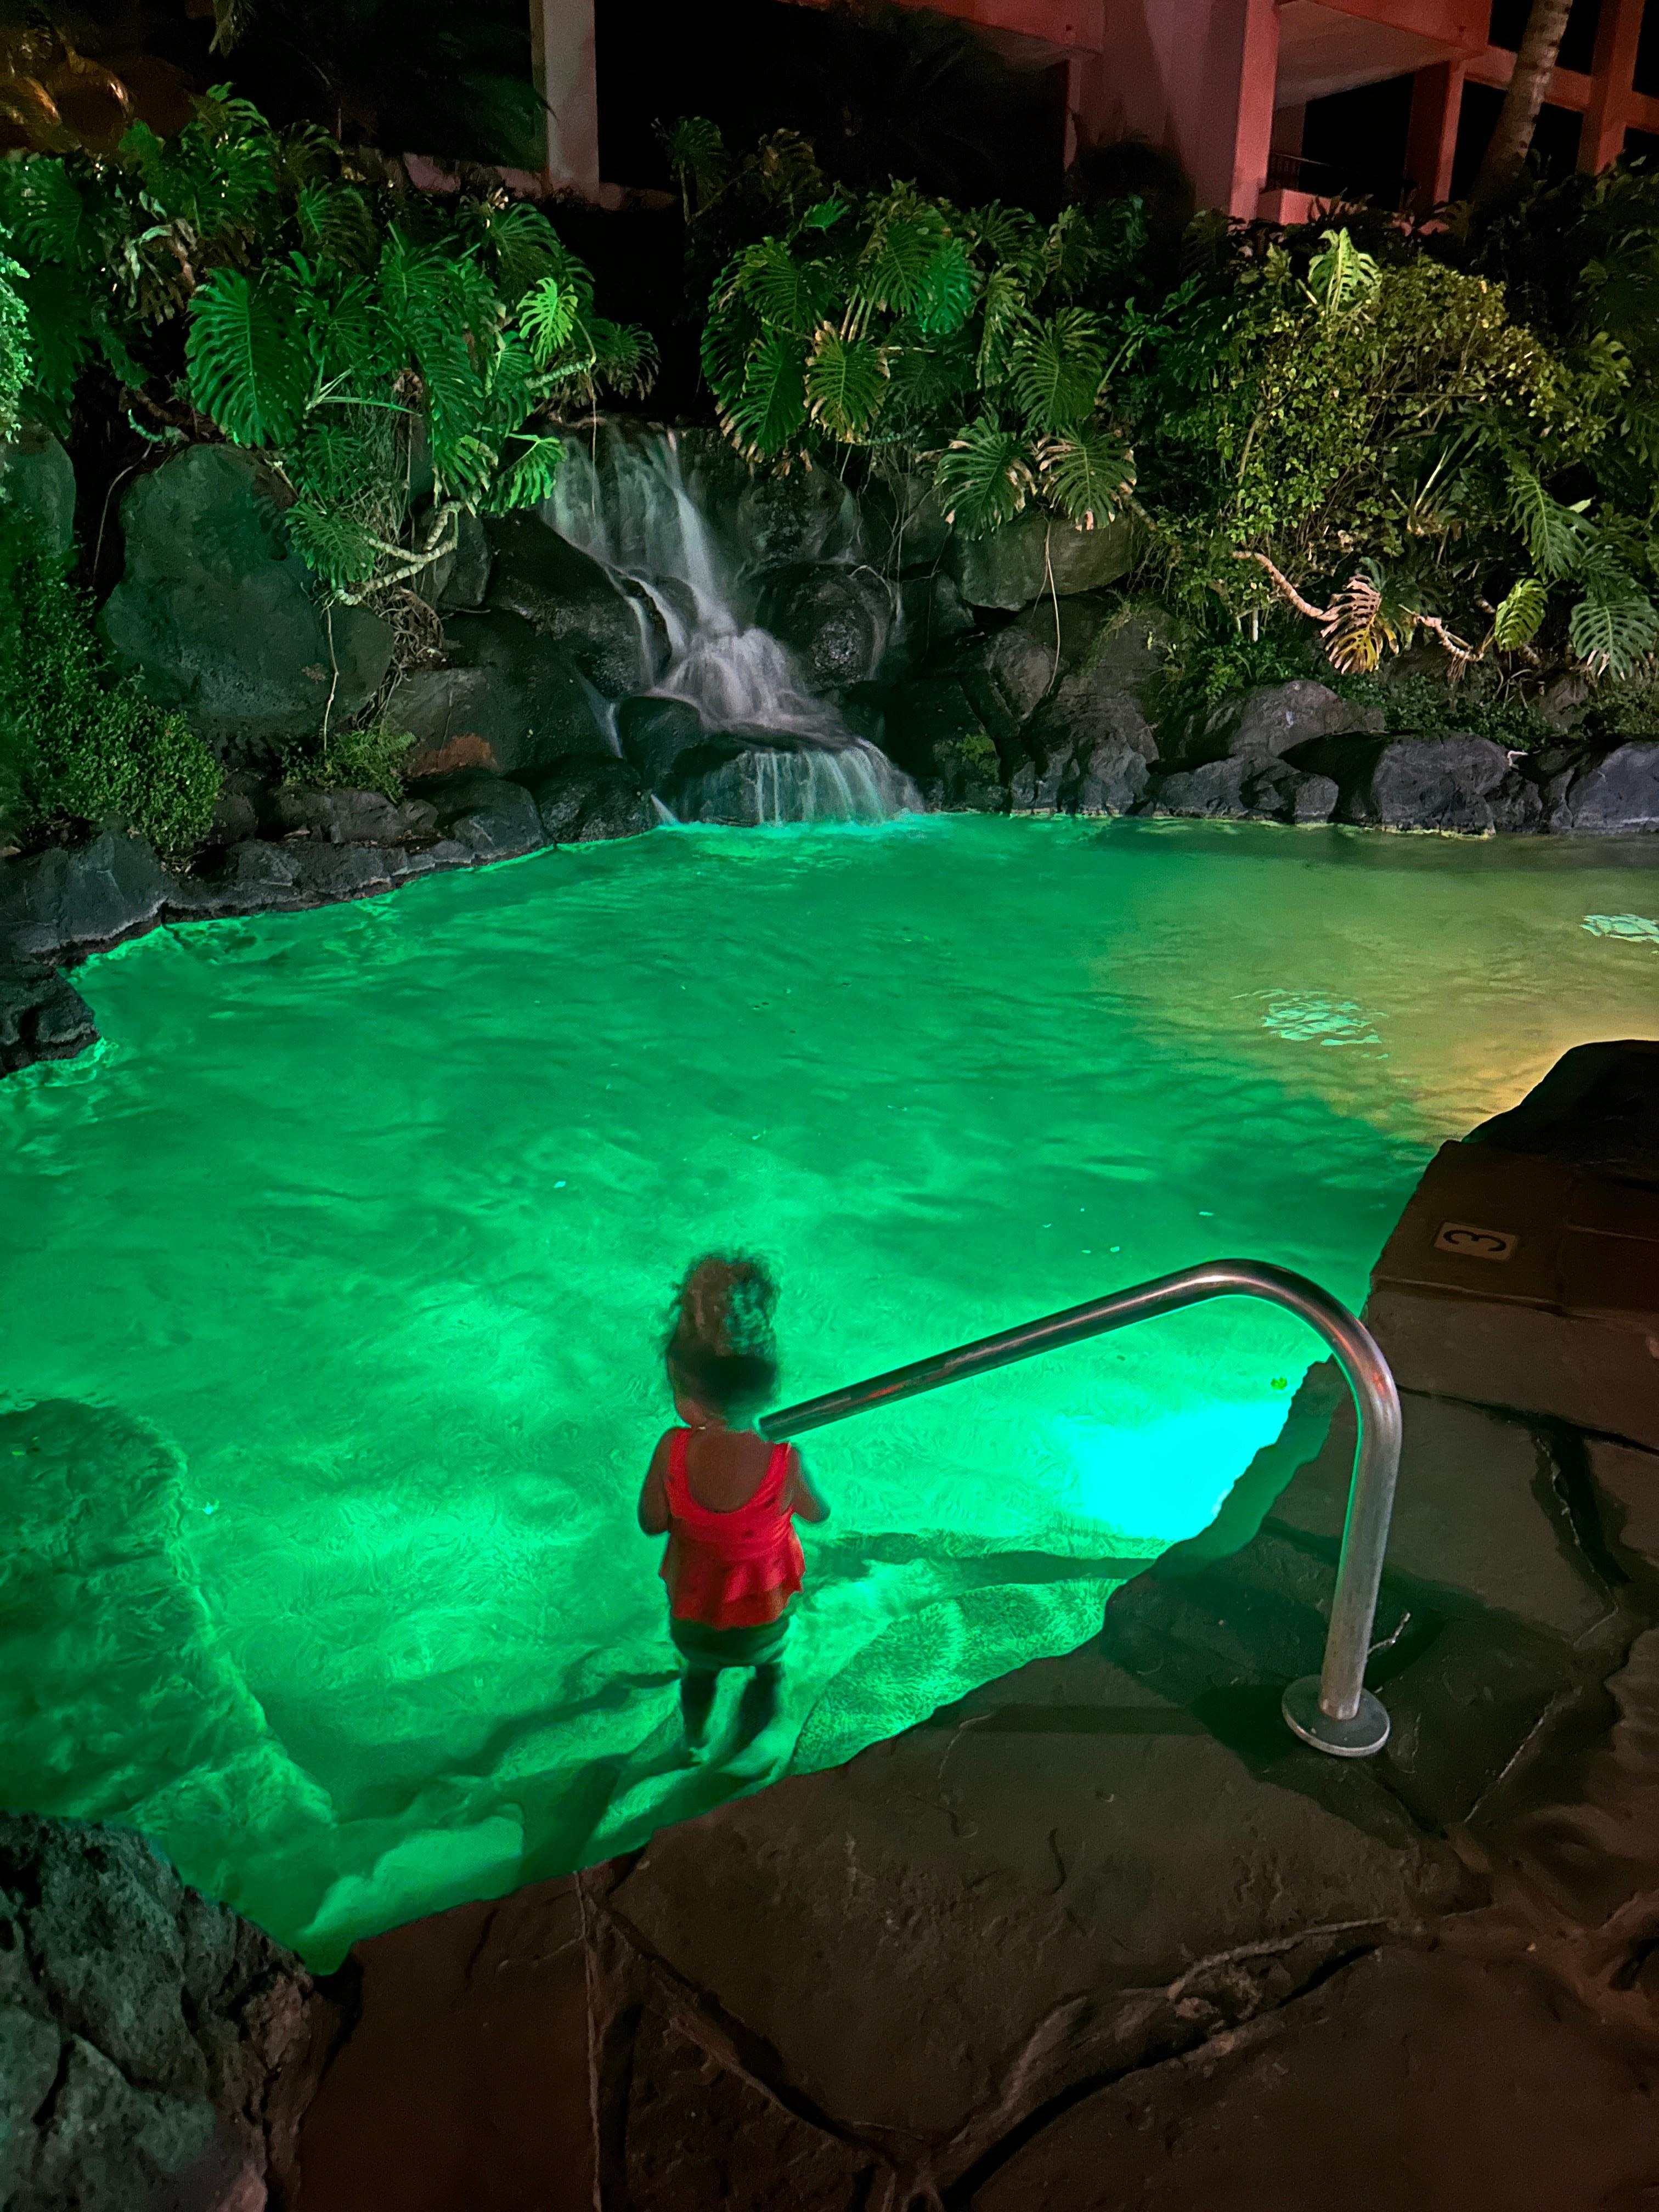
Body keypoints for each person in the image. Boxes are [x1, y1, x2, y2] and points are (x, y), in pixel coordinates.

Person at [638, 1254, 827, 1756]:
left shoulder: (673, 1450)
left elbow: (652, 1523)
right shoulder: (784, 1457)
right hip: (762, 1610)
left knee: (698, 1678)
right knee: (768, 1670)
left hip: (696, 1614)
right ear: (767, 1387)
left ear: (688, 1395)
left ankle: (695, 1740)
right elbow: (818, 1513)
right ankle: (752, 1748)